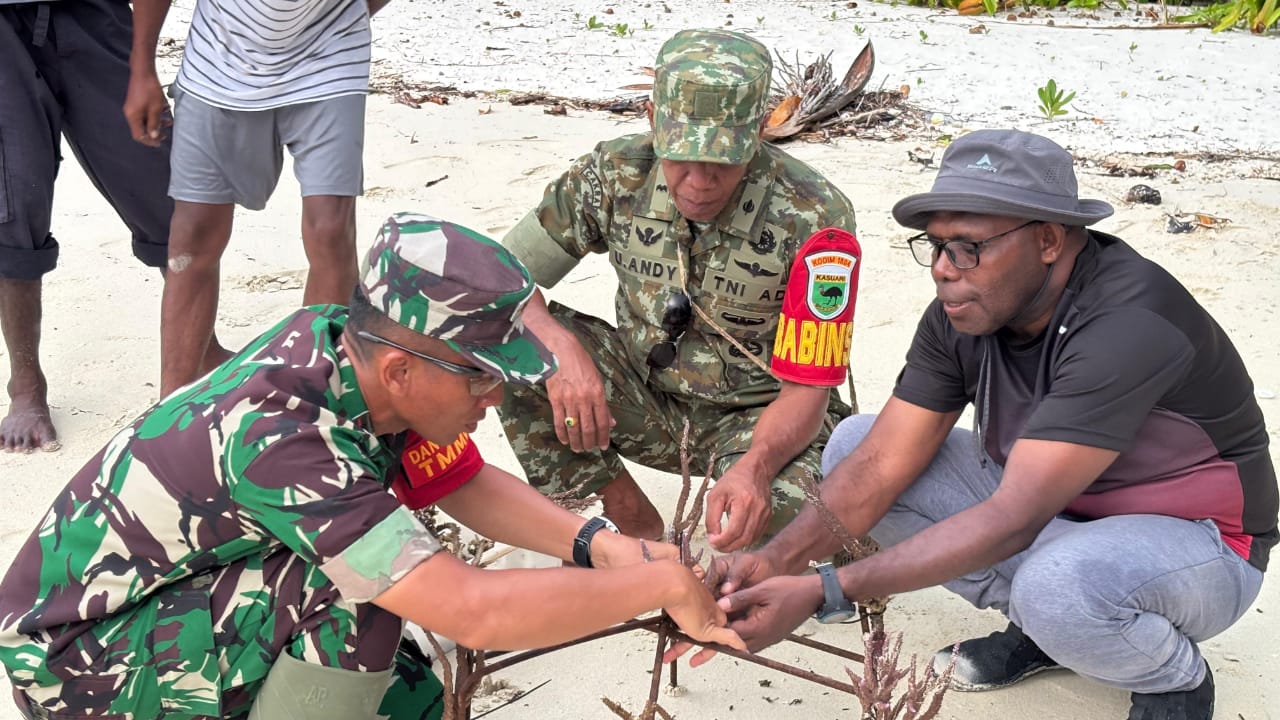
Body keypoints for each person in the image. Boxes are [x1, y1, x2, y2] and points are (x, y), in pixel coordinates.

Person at [0, 212, 743, 720]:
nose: (494, 398)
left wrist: (601, 546)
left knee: (408, 692)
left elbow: (464, 482)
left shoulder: (344, 354)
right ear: (399, 370)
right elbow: (473, 612)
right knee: (365, 599)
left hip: (173, 599)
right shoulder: (282, 436)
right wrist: (660, 583)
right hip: (78, 657)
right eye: (482, 378)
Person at [679, 130, 1276, 720]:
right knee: (854, 445)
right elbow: (882, 463)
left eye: (968, 247)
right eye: (935, 246)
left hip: (1200, 544)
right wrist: (779, 560)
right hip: (1061, 514)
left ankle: (1172, 676)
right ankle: (1049, 628)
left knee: (1059, 588)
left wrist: (824, 590)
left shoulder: (1127, 321)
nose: (943, 270)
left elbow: (1013, 517)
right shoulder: (965, 312)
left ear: (1047, 239)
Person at [500, 28, 861, 553]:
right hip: (642, 397)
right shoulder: (614, 173)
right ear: (651, 120)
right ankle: (625, 516)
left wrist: (756, 469)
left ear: (762, 129)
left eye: (721, 162)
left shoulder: (817, 215)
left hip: (760, 421)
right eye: (681, 157)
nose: (698, 181)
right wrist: (561, 352)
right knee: (502, 342)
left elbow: (808, 388)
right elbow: (503, 276)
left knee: (802, 527)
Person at [126, 0, 392, 395]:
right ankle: (169, 413)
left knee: (331, 230)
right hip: (218, 56)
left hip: (330, 54)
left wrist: (337, 21)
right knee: (193, 234)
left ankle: (312, 401)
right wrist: (142, 68)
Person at [0, 0, 174, 452]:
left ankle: (194, 358)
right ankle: (26, 384)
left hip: (94, 11)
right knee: (13, 197)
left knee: (159, 180)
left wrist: (145, 58)